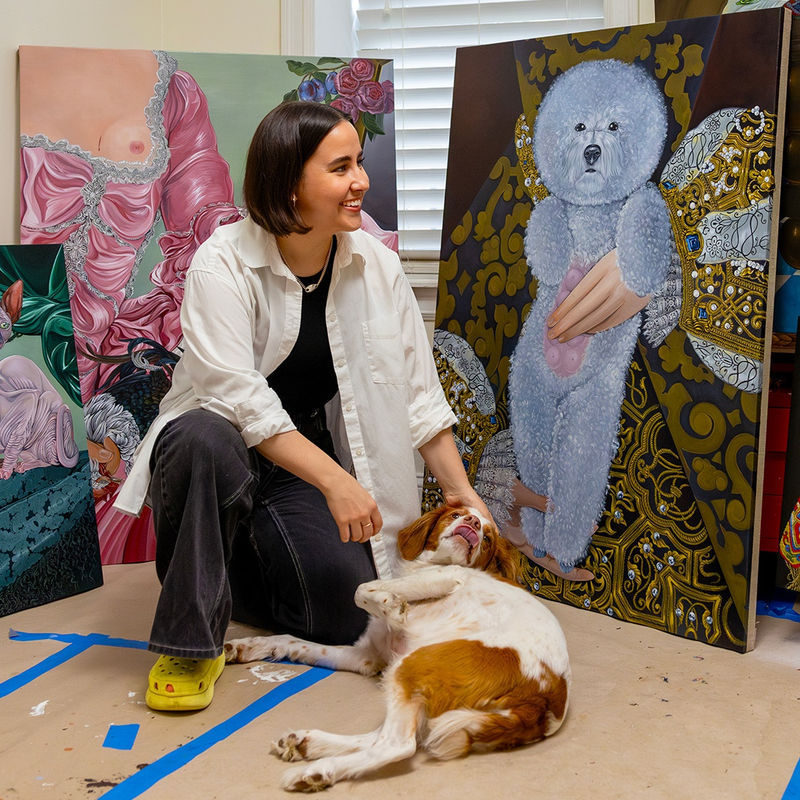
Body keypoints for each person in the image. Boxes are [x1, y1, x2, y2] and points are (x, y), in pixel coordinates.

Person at [114, 100, 489, 711]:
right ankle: (189, 643)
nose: (362, 181)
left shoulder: (378, 267)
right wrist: (337, 483)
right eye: (341, 168)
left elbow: (419, 393)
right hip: (218, 444)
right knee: (204, 437)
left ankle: (219, 570)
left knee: (348, 616)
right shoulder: (222, 262)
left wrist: (463, 494)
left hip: (301, 452)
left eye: (359, 163)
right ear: (289, 182)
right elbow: (240, 398)